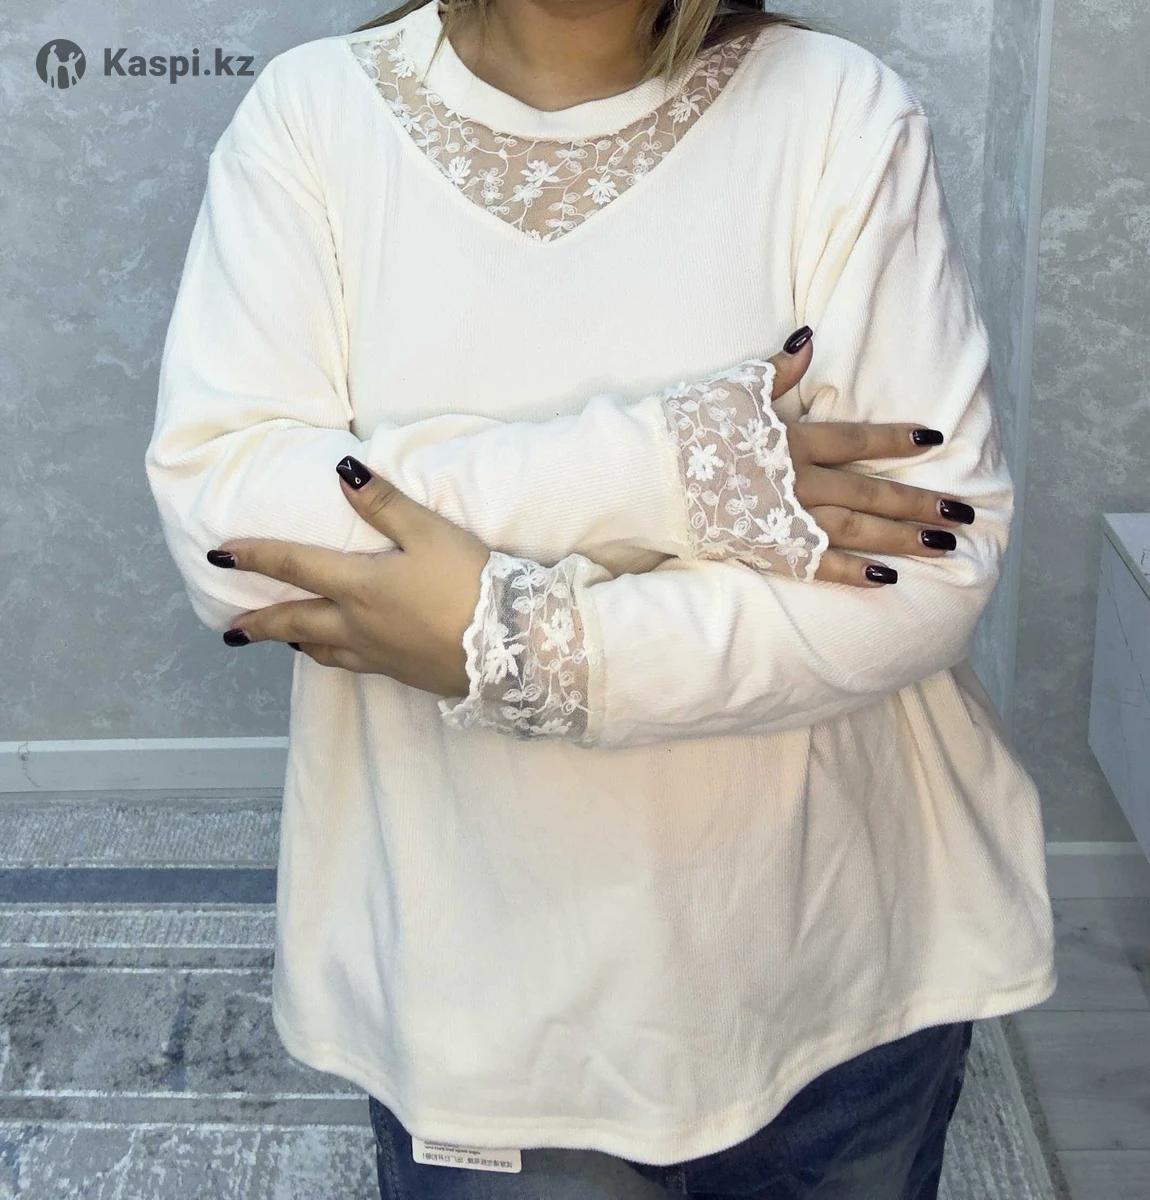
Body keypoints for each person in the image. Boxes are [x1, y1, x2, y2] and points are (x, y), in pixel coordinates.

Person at [143, 0, 1058, 1195]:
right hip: (488, 1000)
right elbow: (237, 536)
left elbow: (924, 572)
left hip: (837, 959)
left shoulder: (837, 108)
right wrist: (672, 470)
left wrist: (518, 645)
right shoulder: (311, 117)